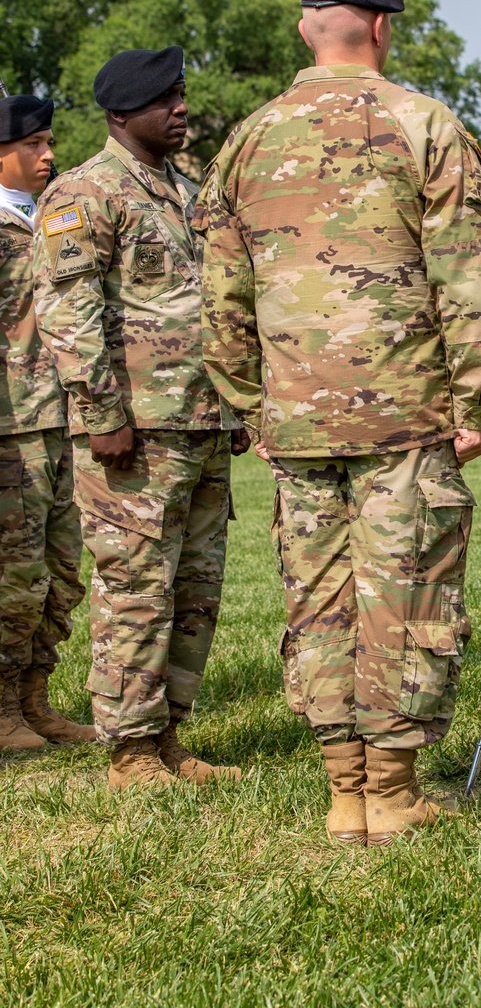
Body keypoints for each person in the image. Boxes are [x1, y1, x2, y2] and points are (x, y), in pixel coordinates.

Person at [196, 0, 481, 845]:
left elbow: (219, 297)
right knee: (403, 594)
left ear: (307, 28)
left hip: (295, 419)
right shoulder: (424, 125)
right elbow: (469, 285)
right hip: (405, 413)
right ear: (382, 27)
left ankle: (345, 792)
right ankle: (395, 790)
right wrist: (470, 401)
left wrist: (252, 404)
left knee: (320, 596)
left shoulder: (248, 140)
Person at [33, 48, 246, 790]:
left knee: (195, 590)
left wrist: (237, 401)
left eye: (183, 94)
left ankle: (168, 736)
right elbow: (68, 307)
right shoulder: (83, 191)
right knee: (135, 585)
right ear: (121, 114)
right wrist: (99, 410)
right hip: (134, 429)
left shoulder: (187, 190)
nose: (181, 107)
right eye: (165, 97)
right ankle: (129, 750)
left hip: (201, 421)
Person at [0, 94, 94, 751]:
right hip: (11, 426)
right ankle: (2, 708)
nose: (48, 154)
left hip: (61, 419)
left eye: (49, 142)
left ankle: (36, 701)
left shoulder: (50, 221)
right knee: (15, 574)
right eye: (34, 143)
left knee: (60, 571)